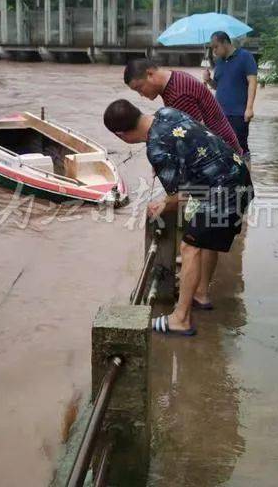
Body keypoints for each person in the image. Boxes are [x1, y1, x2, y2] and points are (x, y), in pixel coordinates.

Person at [103, 100, 253, 335]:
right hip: (238, 175)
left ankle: (181, 319)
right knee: (204, 240)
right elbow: (188, 143)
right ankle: (200, 294)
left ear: (122, 135)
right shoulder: (166, 113)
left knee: (189, 247)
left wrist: (162, 205)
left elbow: (179, 196)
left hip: (222, 193)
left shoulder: (156, 148)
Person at [124, 58, 242, 154]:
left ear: (149, 74)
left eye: (139, 88)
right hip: (223, 144)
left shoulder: (178, 93)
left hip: (223, 153)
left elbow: (195, 135)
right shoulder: (174, 77)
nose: (140, 94)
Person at [203, 31, 258, 159]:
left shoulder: (245, 57)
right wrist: (208, 80)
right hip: (219, 113)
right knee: (221, 148)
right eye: (212, 48)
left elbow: (252, 82)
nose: (214, 51)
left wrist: (249, 108)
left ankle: (245, 178)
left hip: (238, 113)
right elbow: (218, 86)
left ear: (225, 43)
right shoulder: (219, 62)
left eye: (216, 46)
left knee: (241, 149)